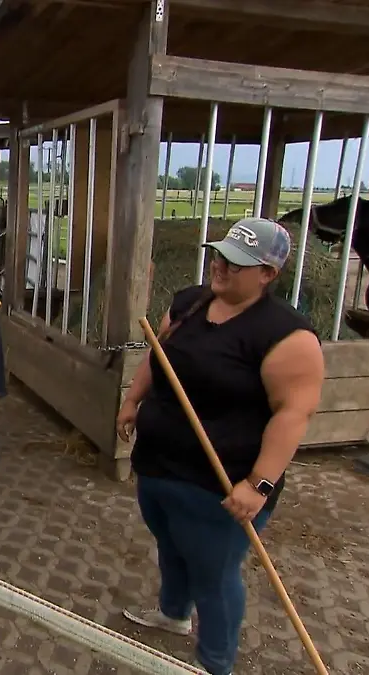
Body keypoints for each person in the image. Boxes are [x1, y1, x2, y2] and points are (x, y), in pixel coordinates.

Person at [116, 217, 325, 675]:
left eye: (236, 263)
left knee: (213, 573)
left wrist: (260, 484)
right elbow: (159, 354)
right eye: (220, 255)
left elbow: (293, 414)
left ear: (268, 274)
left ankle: (214, 664)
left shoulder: (287, 336)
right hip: (159, 465)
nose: (221, 266)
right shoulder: (191, 303)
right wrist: (133, 399)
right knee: (169, 545)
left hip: (222, 485)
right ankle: (173, 615)